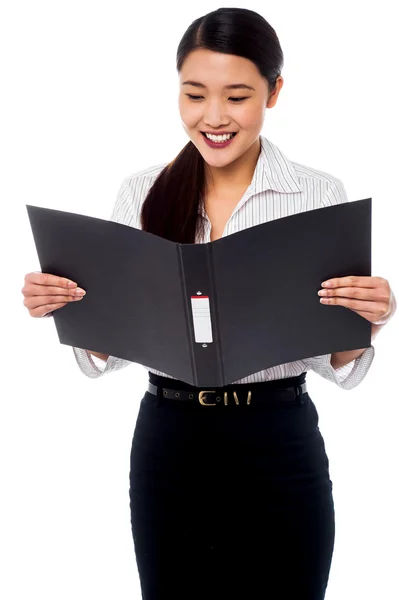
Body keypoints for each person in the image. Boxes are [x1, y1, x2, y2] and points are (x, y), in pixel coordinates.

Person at [22, 7, 396, 600]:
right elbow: (108, 351)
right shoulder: (140, 192)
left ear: (274, 92)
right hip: (170, 441)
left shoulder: (319, 194)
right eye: (194, 94)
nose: (214, 117)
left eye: (238, 96)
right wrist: (65, 304)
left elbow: (337, 364)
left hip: (279, 440)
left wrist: (366, 317)